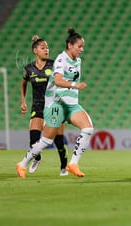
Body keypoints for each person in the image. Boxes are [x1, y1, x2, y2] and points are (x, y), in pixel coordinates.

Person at [16, 28, 94, 178]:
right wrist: (75, 85)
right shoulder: (60, 60)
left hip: (71, 104)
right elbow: (58, 81)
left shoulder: (77, 60)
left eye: (83, 46)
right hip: (55, 105)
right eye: (79, 46)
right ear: (70, 45)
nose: (82, 49)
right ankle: (22, 164)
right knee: (46, 140)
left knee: (88, 128)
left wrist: (73, 90)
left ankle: (73, 164)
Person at [20, 35, 68, 176]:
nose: (46, 50)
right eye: (43, 48)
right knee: (33, 138)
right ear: (35, 50)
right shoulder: (29, 69)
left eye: (47, 47)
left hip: (55, 105)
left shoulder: (54, 65)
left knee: (58, 140)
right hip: (38, 105)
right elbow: (23, 84)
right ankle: (37, 158)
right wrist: (23, 101)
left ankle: (64, 167)